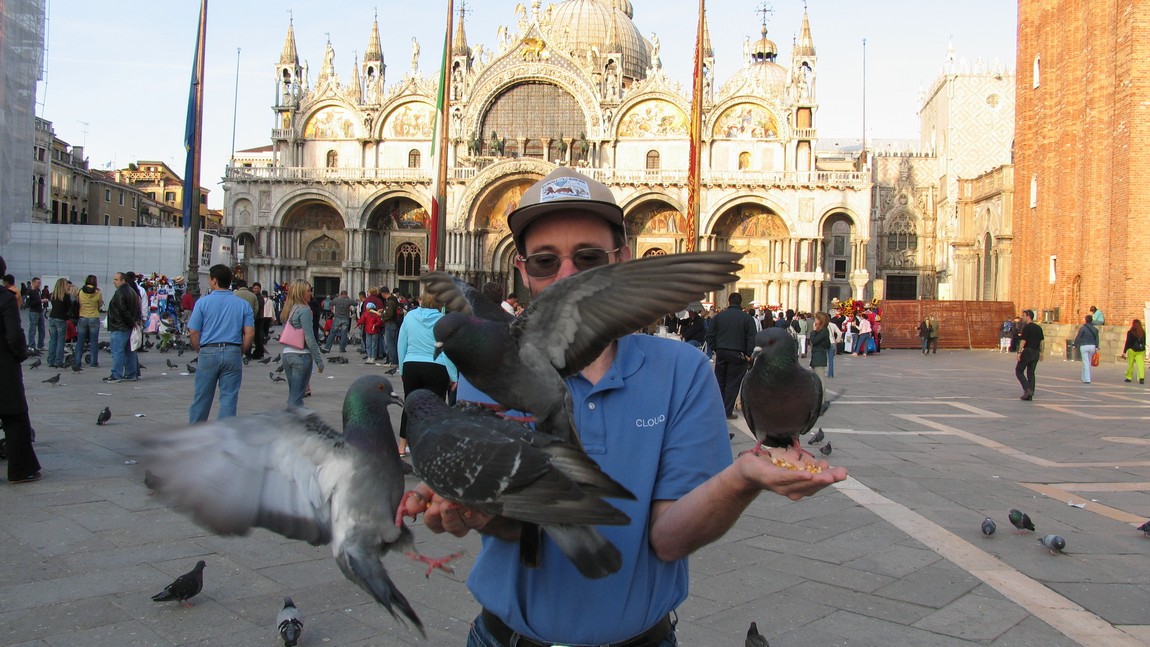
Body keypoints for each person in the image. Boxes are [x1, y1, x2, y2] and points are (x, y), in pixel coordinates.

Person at [405, 167, 846, 646]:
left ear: (623, 261)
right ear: (522, 268)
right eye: (545, 262)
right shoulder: (484, 371)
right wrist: (473, 506)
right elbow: (514, 520)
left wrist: (742, 479)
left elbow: (668, 540)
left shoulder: (683, 371)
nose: (566, 275)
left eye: (589, 258)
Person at [187, 264, 255, 422]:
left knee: (202, 397)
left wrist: (199, 348)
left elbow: (193, 331)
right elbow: (250, 333)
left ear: (214, 280)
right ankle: (224, 435)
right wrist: (242, 350)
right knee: (229, 398)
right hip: (233, 351)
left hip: (208, 350)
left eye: (210, 279)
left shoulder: (203, 303)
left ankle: (196, 433)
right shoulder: (242, 304)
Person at [395, 291, 459, 456]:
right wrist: (453, 376)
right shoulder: (443, 320)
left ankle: (402, 446)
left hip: (412, 365)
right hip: (436, 367)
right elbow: (446, 351)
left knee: (410, 405)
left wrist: (402, 367)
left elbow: (401, 343)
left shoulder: (409, 316)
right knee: (433, 409)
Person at [0, 255, 41, 483]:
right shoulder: (5, 299)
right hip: (3, 367)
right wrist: (20, 353)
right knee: (15, 419)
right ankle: (20, 469)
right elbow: (14, 334)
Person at [707, 292, 757, 420]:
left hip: (722, 352)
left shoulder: (719, 317)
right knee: (732, 383)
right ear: (740, 302)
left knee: (720, 381)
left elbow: (710, 335)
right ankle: (727, 411)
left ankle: (718, 408)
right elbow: (751, 338)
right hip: (738, 354)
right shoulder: (747, 318)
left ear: (729, 301)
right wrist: (749, 354)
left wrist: (715, 348)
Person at [279, 280, 324, 408]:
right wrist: (319, 361)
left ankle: (291, 423)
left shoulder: (291, 308)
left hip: (287, 354)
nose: (311, 293)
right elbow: (309, 338)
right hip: (301, 355)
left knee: (293, 395)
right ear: (301, 293)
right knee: (297, 399)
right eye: (308, 291)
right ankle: (292, 424)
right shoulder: (304, 310)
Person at [104, 272, 141, 383]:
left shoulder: (120, 292)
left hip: (119, 326)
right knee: (130, 351)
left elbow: (122, 310)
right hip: (128, 326)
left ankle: (116, 374)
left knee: (117, 352)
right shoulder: (132, 292)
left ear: (123, 280)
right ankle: (131, 374)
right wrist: (133, 323)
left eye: (116, 279)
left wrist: (130, 322)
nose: (114, 281)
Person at [73, 275, 104, 371]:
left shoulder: (80, 291)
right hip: (94, 317)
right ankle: (93, 363)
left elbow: (78, 302)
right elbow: (100, 305)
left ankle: (77, 362)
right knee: (94, 342)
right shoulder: (98, 292)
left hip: (82, 317)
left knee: (80, 341)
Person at [1015, 309, 1044, 401]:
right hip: (1036, 352)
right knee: (1031, 373)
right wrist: (1042, 352)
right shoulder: (1038, 328)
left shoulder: (1027, 327)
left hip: (1028, 351)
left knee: (1019, 370)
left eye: (1023, 316)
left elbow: (1023, 340)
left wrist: (1019, 352)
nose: (1022, 317)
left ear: (1028, 316)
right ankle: (1030, 393)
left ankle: (1027, 389)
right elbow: (1042, 341)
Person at [45, 278, 74, 369]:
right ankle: (58, 361)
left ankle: (51, 360)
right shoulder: (65, 296)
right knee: (61, 341)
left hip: (52, 317)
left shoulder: (52, 295)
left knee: (53, 340)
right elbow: (69, 307)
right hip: (61, 318)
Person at [232, 280, 259, 360]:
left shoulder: (234, 294)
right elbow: (256, 308)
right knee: (249, 335)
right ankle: (248, 354)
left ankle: (238, 353)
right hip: (249, 319)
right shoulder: (253, 295)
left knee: (238, 336)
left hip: (237, 319)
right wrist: (253, 316)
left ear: (238, 287)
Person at [1073, 314, 1100, 384]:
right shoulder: (1095, 329)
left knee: (1086, 362)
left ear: (1086, 320)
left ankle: (1087, 379)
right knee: (1087, 361)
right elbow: (1097, 339)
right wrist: (1097, 347)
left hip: (1084, 346)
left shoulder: (1083, 328)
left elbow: (1078, 337)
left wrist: (1075, 345)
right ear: (1092, 320)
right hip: (1092, 346)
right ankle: (1083, 377)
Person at [22, 277, 46, 352]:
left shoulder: (38, 291)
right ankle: (31, 345)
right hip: (33, 312)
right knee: (32, 329)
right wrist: (40, 301)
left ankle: (40, 345)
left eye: (40, 283)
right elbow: (28, 304)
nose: (39, 284)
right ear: (33, 283)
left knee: (42, 329)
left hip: (40, 312)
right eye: (38, 283)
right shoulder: (29, 292)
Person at [1122, 319, 1146, 384]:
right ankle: (1141, 378)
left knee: (1130, 364)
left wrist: (1124, 352)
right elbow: (1144, 342)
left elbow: (1127, 342)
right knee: (1140, 364)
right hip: (1141, 350)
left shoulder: (1130, 332)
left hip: (1132, 350)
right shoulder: (1142, 332)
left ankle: (1129, 377)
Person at [809, 311, 831, 378]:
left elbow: (814, 341)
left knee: (820, 380)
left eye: (816, 318)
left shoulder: (824, 331)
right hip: (816, 359)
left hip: (819, 359)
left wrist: (813, 331)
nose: (814, 320)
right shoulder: (821, 331)